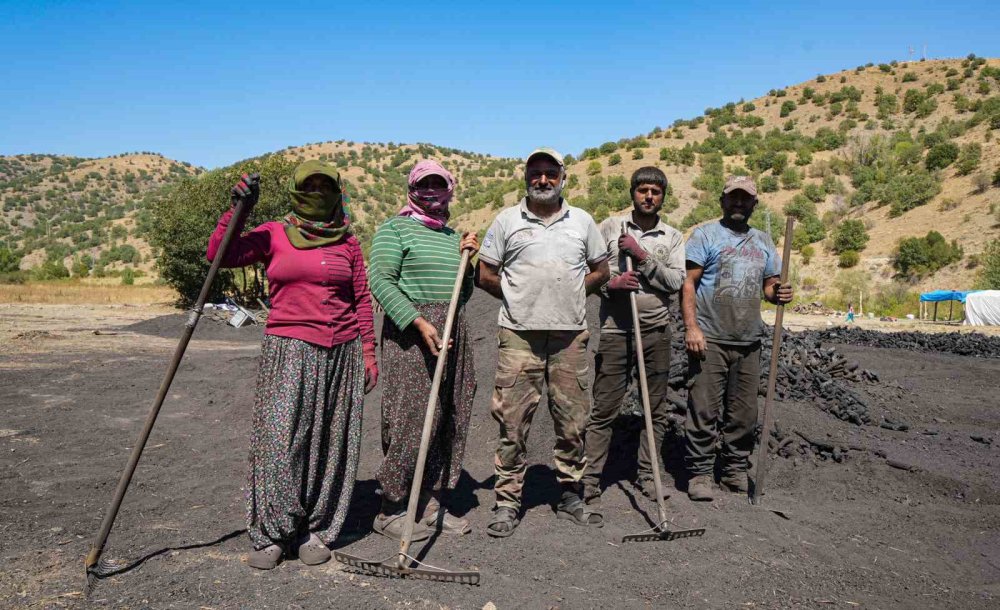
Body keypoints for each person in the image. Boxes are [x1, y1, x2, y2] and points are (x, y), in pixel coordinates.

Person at [206, 161, 378, 570]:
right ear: (297, 191)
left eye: (326, 186)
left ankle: (316, 528)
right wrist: (238, 209)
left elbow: (361, 300)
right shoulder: (273, 233)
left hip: (342, 351)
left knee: (330, 441)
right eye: (310, 186)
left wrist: (369, 354)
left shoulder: (348, 242)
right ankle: (273, 533)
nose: (318, 193)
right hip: (289, 349)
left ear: (337, 192)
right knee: (281, 440)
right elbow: (221, 254)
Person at [477, 148, 610, 537]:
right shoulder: (506, 221)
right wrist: (518, 297)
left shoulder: (582, 221)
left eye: (550, 173)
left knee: (572, 421)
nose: (543, 180)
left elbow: (601, 270)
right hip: (518, 335)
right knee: (512, 422)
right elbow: (485, 273)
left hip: (569, 336)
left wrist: (572, 291)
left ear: (562, 177)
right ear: (526, 178)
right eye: (536, 173)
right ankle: (507, 502)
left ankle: (570, 494)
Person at [367, 160, 479, 540]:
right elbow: (379, 280)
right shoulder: (394, 229)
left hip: (453, 328)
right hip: (411, 333)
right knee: (410, 417)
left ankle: (431, 502)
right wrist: (418, 322)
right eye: (423, 184)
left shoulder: (452, 238)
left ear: (449, 188)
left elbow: (463, 294)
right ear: (412, 188)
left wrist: (470, 262)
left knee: (451, 412)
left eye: (438, 184)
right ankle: (392, 507)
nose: (431, 191)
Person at [682, 175, 792, 501]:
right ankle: (700, 473)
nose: (739, 204)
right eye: (734, 198)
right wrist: (691, 328)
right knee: (703, 409)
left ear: (755, 204)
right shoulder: (705, 235)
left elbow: (770, 286)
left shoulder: (763, 242)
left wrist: (779, 292)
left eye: (746, 199)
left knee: (744, 414)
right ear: (722, 201)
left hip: (749, 340)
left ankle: (733, 470)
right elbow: (688, 283)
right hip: (710, 338)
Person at [582, 167, 685, 507]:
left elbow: (674, 282)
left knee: (654, 411)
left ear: (663, 197)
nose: (649, 197)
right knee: (604, 410)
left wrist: (641, 257)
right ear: (633, 193)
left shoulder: (672, 237)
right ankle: (591, 479)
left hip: (656, 333)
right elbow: (588, 275)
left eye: (656, 191)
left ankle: (647, 476)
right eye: (643, 190)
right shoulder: (610, 228)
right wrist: (610, 284)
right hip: (615, 332)